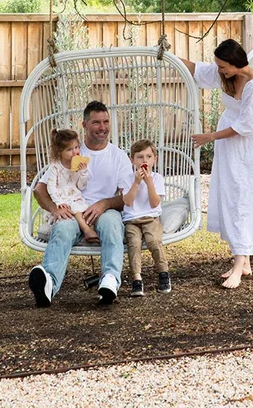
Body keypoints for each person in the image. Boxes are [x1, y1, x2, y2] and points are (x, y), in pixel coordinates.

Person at [181, 38, 253, 289]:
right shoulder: (225, 75)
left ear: (235, 62)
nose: (219, 70)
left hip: (246, 147)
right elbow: (197, 69)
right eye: (218, 66)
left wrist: (210, 136)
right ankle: (244, 261)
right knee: (231, 196)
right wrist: (168, 56)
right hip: (229, 146)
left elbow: (247, 126)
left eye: (223, 66)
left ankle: (238, 267)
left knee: (243, 198)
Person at [28, 100, 132, 307]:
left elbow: (127, 198)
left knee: (112, 225)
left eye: (106, 122)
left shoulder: (118, 156)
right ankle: (48, 283)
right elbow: (39, 189)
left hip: (105, 211)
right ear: (84, 125)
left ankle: (110, 281)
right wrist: (55, 209)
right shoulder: (71, 153)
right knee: (63, 229)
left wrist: (105, 203)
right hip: (73, 211)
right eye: (96, 122)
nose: (102, 128)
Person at [122, 138, 172, 296]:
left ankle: (163, 273)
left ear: (154, 159)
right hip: (132, 220)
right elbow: (128, 202)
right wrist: (136, 183)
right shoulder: (127, 179)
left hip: (151, 218)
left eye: (149, 157)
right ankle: (137, 279)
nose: (145, 160)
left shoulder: (157, 178)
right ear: (132, 160)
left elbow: (154, 203)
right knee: (134, 243)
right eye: (140, 157)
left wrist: (149, 182)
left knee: (153, 241)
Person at [42, 128, 99, 243]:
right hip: (62, 197)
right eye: (69, 150)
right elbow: (51, 186)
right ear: (59, 152)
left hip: (75, 195)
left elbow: (81, 186)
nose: (75, 152)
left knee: (85, 211)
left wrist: (83, 172)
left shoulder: (77, 164)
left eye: (77, 147)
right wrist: (58, 202)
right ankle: (87, 231)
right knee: (76, 209)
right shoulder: (55, 167)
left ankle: (87, 233)